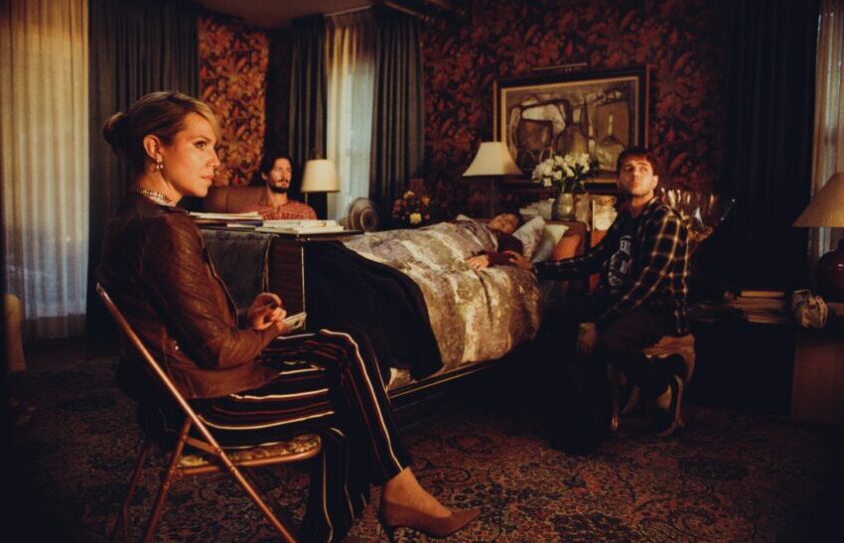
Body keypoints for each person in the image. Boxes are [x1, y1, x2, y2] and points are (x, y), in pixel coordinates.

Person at [97, 91, 478, 542]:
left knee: (348, 344)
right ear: (155, 148)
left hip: (173, 388)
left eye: (214, 147)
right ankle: (384, 500)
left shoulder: (133, 215)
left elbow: (180, 317)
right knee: (357, 396)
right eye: (200, 145)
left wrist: (247, 319)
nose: (215, 160)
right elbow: (217, 350)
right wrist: (273, 330)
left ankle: (389, 496)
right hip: (205, 404)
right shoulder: (164, 228)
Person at [509, 146, 690, 451]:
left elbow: (646, 284)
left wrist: (598, 324)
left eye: (643, 169)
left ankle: (662, 389)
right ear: (619, 179)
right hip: (617, 301)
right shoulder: (624, 218)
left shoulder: (665, 220)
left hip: (656, 308)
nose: (635, 174)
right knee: (556, 318)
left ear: (655, 180)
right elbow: (592, 260)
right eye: (628, 169)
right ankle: (572, 414)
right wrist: (536, 267)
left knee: (607, 340)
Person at [244, 155, 317, 220]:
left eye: (288, 170)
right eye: (278, 169)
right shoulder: (249, 213)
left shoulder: (306, 212)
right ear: (264, 175)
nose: (284, 175)